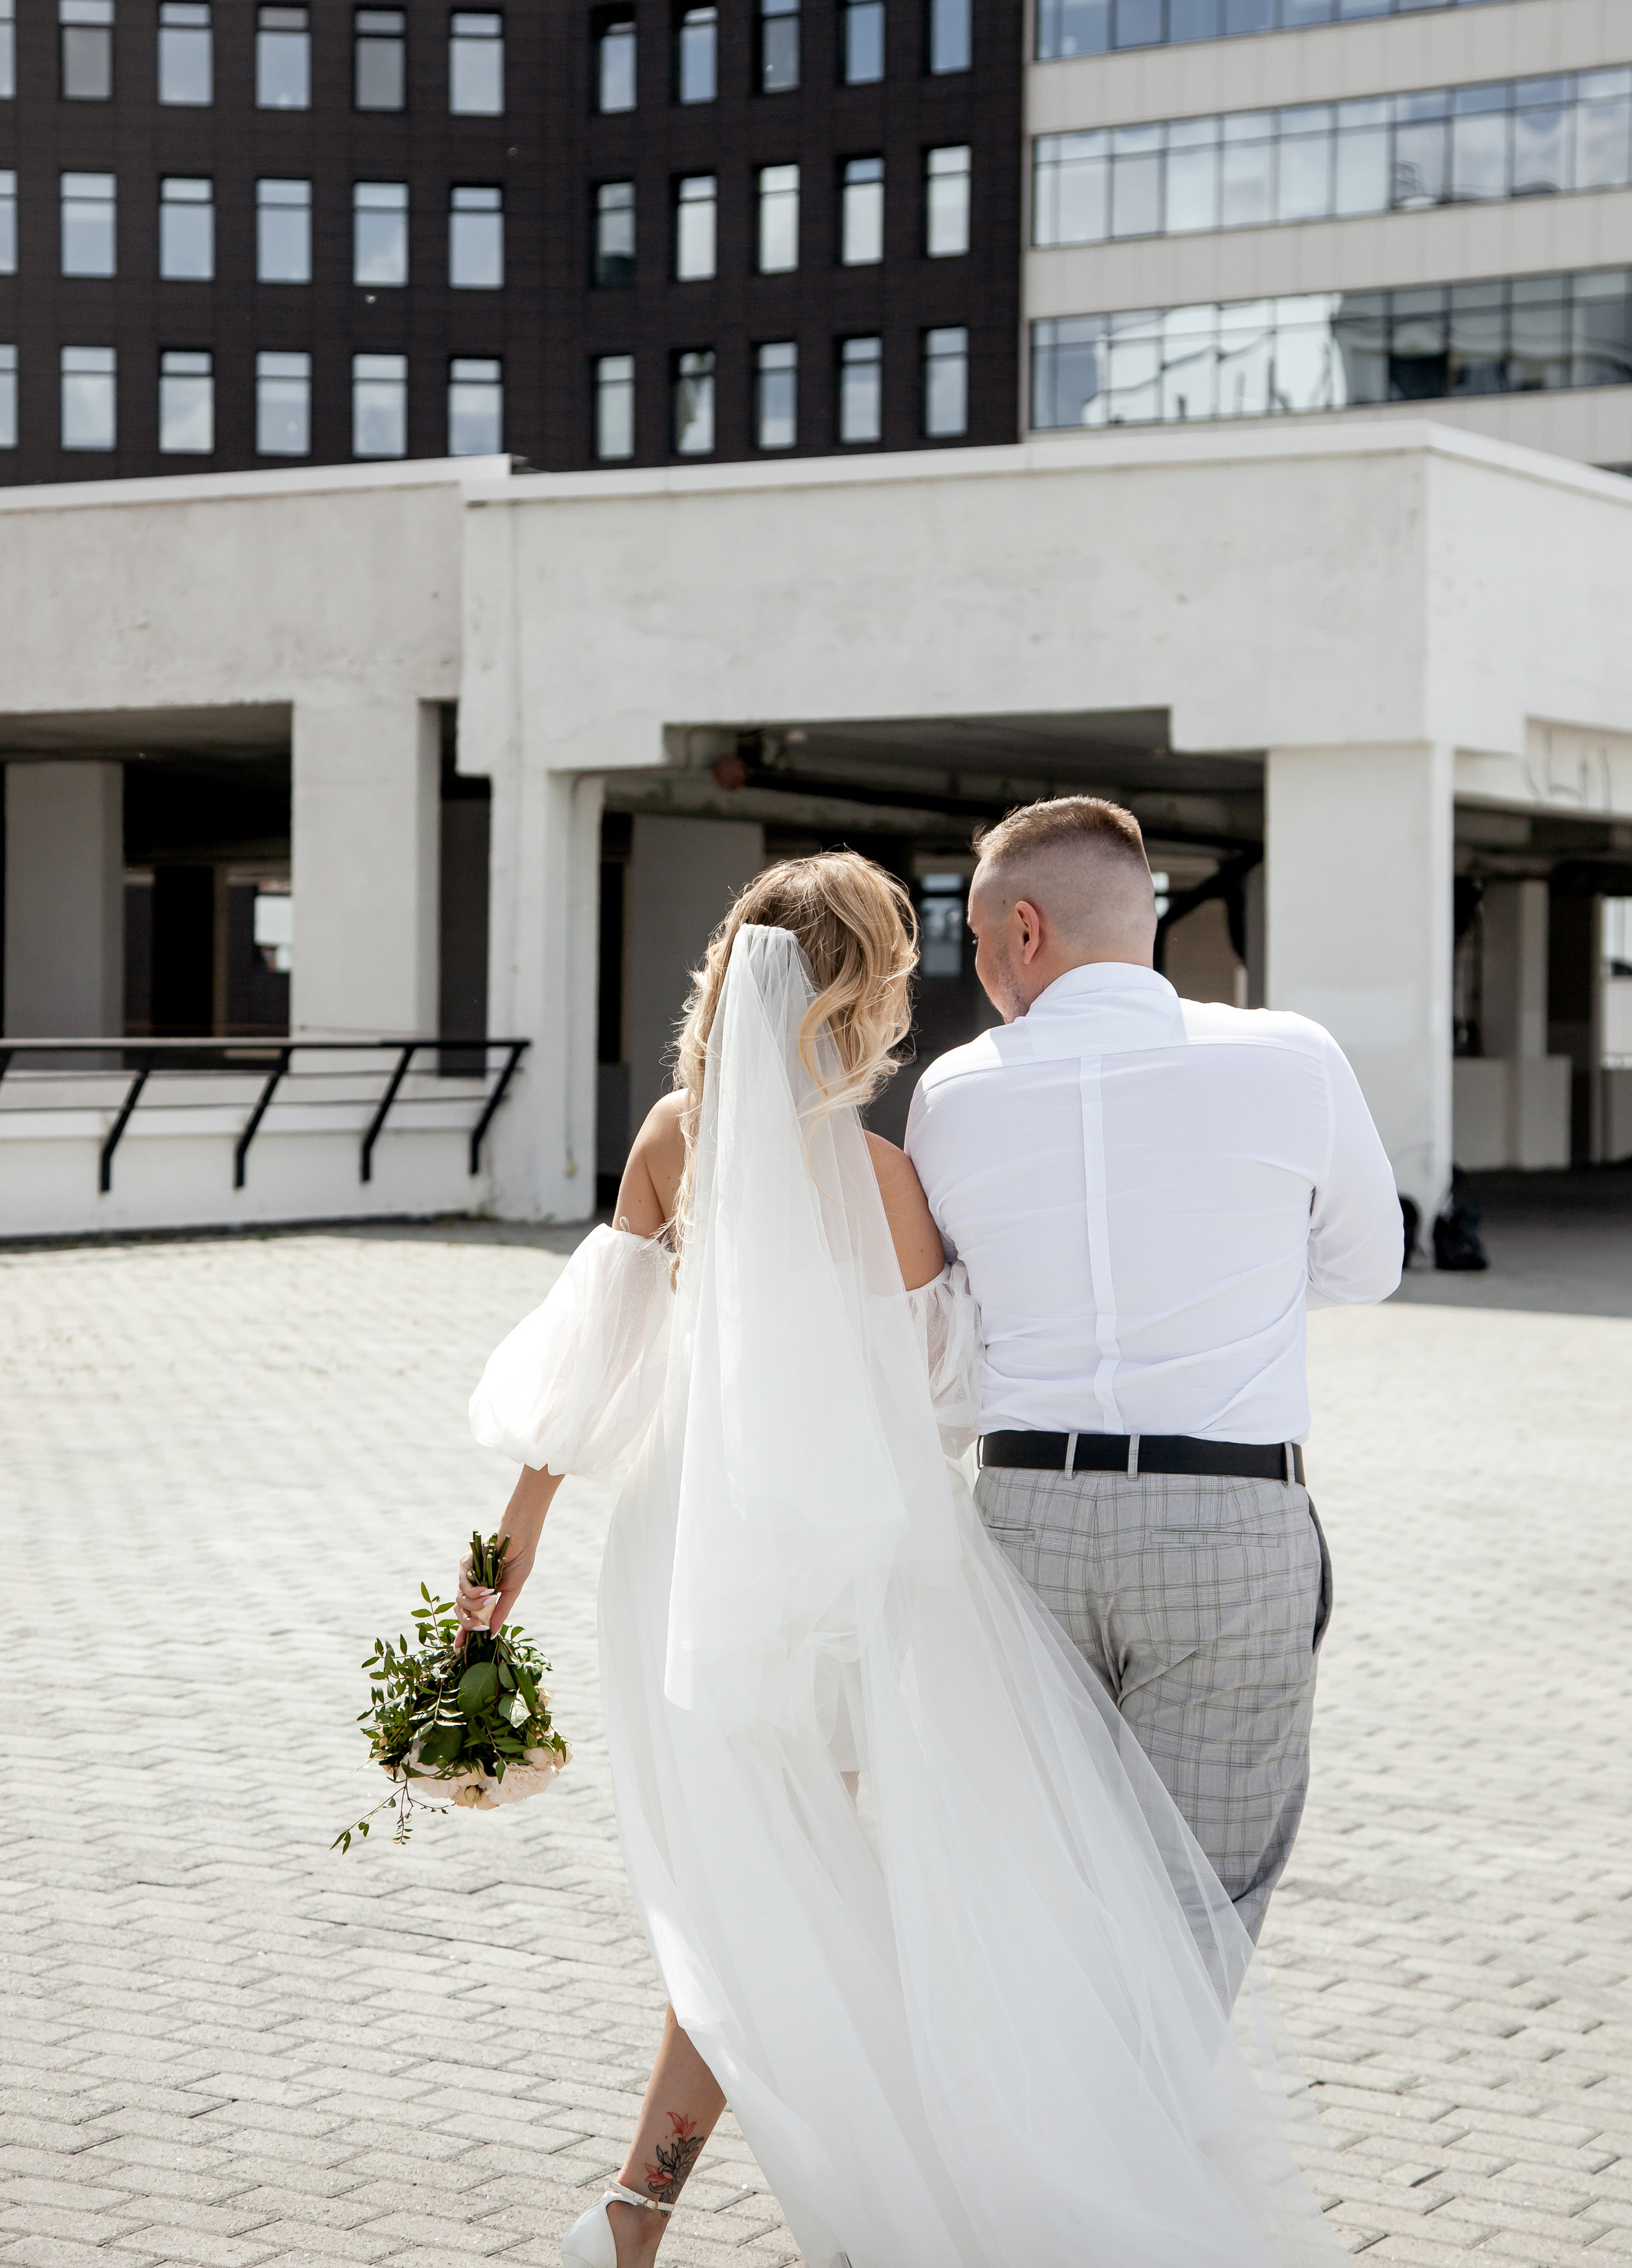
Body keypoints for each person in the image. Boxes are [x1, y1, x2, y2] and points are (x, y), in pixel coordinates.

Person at [456, 852, 1353, 2268]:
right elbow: (954, 1396)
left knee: (747, 1888)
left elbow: (572, 1394)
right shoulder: (888, 1179)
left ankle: (639, 2212)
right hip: (856, 1570)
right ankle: (910, 2191)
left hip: (681, 1563)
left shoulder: (671, 1140)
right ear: (862, 996)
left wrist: (482, 1592)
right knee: (846, 1891)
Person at [905, 796, 1403, 1941]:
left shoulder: (956, 1091)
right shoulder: (1294, 1056)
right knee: (1199, 1901)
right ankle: (1146, 2115)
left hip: (1021, 1518)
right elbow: (1371, 1267)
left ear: (1024, 931)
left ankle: (1041, 2116)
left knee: (1034, 1883)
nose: (978, 965)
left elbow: (960, 1306)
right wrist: (1246, 1282)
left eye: (977, 939)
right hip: (1226, 1519)